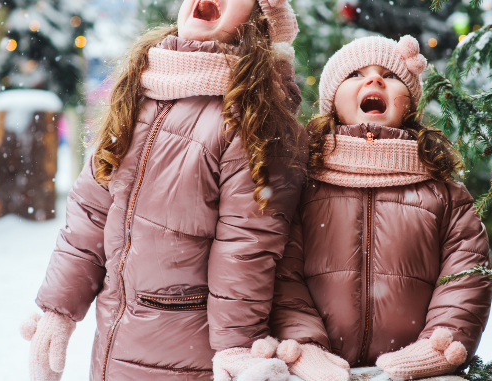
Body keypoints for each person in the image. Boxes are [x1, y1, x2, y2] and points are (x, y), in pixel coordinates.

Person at [19, 0, 307, 379]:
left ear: (258, 22)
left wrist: (237, 348)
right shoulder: (140, 88)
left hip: (189, 347)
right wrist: (59, 309)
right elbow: (90, 211)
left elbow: (247, 245)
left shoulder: (251, 116)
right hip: (114, 343)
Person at [263, 35, 492, 381]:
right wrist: (305, 347)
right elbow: (283, 276)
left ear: (410, 105)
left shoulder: (445, 194)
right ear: (331, 102)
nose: (374, 80)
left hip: (418, 371)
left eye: (391, 74)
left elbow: (466, 279)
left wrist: (435, 348)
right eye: (355, 74)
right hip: (317, 371)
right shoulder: (304, 185)